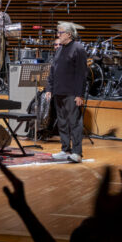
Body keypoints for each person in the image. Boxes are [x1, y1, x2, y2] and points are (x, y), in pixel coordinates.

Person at [44, 22, 88, 163]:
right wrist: (49, 89)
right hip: (59, 91)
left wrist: (79, 94)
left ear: (69, 34)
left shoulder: (78, 49)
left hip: (71, 93)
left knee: (74, 122)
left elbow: (81, 74)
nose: (58, 35)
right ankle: (65, 149)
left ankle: (77, 152)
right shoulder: (60, 49)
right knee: (62, 122)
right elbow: (53, 71)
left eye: (60, 32)